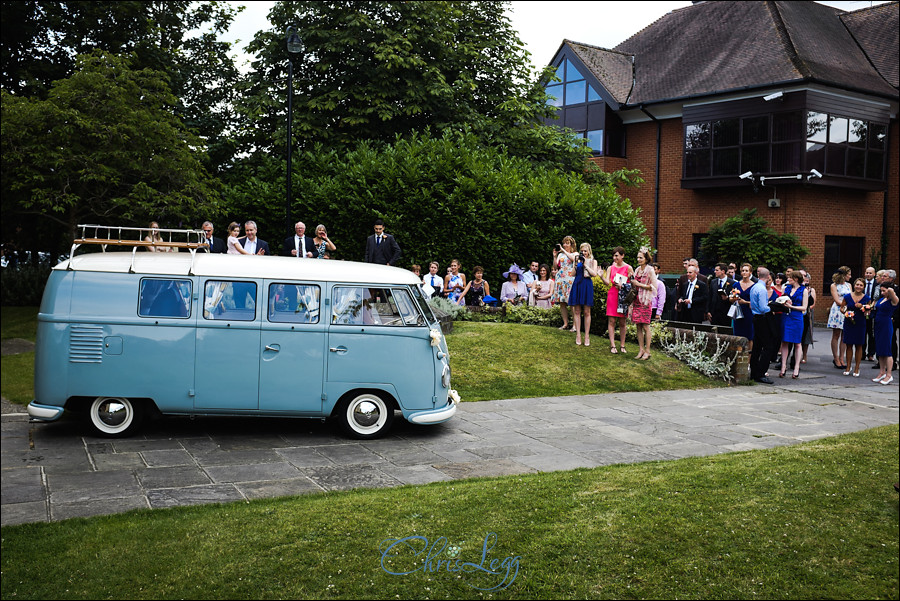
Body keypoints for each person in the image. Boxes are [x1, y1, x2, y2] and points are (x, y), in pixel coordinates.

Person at [563, 244, 600, 346]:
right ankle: (578, 334)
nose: (583, 253)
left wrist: (585, 265)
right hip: (577, 284)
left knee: (587, 311)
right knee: (577, 310)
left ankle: (587, 335)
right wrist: (576, 263)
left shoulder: (593, 261)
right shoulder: (577, 260)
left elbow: (594, 274)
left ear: (589, 251)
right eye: (582, 251)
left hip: (587, 285)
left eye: (585, 251)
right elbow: (573, 273)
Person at [778, 272, 809, 379]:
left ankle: (796, 367)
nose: (788, 279)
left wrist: (792, 306)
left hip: (797, 317)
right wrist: (783, 303)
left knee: (797, 343)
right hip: (786, 317)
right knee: (785, 341)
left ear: (795, 279)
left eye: (790, 278)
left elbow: (804, 307)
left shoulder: (803, 290)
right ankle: (783, 366)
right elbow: (780, 301)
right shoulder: (786, 288)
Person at [602, 246, 633, 353]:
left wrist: (625, 283)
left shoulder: (628, 268)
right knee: (612, 320)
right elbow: (607, 282)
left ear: (622, 255)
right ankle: (612, 345)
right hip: (612, 294)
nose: (614, 258)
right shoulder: (611, 268)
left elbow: (633, 284)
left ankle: (622, 345)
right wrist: (602, 276)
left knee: (622, 322)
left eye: (617, 256)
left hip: (623, 296)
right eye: (613, 256)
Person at [839, 277, 871, 377]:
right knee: (848, 345)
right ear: (854, 285)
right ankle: (848, 366)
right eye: (857, 284)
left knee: (859, 345)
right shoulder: (847, 296)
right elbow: (842, 308)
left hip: (860, 323)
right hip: (849, 322)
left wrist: (863, 307)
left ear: (864, 287)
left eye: (861, 285)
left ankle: (857, 368)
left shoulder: (867, 298)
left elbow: (868, 313)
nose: (858, 287)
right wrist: (845, 312)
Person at [749, 267, 776, 384]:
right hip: (762, 318)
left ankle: (754, 372)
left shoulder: (754, 287)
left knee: (757, 347)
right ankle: (761, 373)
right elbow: (763, 308)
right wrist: (773, 306)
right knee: (768, 346)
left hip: (755, 317)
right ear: (768, 276)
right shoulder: (762, 289)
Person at [631, 248, 658, 360]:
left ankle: (648, 351)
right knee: (638, 325)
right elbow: (634, 284)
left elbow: (654, 287)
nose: (639, 259)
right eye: (638, 257)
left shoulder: (650, 270)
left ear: (646, 259)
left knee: (646, 326)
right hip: (636, 300)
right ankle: (641, 349)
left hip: (646, 301)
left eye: (641, 257)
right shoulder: (637, 270)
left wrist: (639, 284)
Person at [872, 281, 898, 384]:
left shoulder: (893, 300)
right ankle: (882, 372)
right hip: (878, 325)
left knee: (887, 350)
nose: (882, 292)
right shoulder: (882, 299)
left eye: (884, 290)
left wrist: (890, 287)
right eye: (881, 290)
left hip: (886, 325)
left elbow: (891, 291)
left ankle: (889, 374)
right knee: (880, 350)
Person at [827, 266, 852, 369]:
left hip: (847, 310)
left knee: (844, 336)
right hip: (838, 310)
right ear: (843, 275)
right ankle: (836, 358)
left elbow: (851, 296)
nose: (850, 276)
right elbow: (837, 300)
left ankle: (842, 358)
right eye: (849, 274)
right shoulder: (834, 285)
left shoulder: (849, 285)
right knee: (836, 334)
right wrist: (845, 305)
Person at [552, 236, 577, 331]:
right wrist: (555, 256)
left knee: (571, 303)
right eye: (564, 243)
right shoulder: (560, 255)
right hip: (560, 278)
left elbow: (573, 260)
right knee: (562, 302)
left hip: (570, 278)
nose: (565, 245)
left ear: (571, 244)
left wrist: (563, 250)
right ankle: (565, 323)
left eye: (567, 243)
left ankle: (575, 325)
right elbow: (555, 266)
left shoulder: (575, 253)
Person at [731, 263, 755, 344]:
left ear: (750, 272)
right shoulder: (736, 284)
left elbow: (755, 302)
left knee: (749, 335)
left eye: (746, 271)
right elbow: (731, 298)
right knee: (737, 334)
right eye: (743, 271)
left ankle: (749, 355)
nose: (744, 272)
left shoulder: (754, 286)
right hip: (738, 311)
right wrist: (734, 299)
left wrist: (745, 302)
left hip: (749, 312)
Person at [706, 262, 734, 326]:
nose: (715, 272)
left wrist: (727, 298)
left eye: (717, 270)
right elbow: (710, 297)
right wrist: (708, 311)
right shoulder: (713, 282)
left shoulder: (731, 283)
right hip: (714, 313)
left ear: (723, 271)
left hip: (726, 313)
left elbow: (734, 297)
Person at [800, 270, 817, 364]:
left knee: (807, 335)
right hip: (800, 312)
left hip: (808, 313)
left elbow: (813, 303)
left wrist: (806, 307)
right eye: (804, 280)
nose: (805, 282)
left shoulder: (812, 290)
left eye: (807, 280)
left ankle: (805, 355)